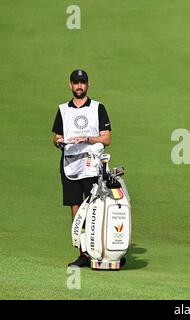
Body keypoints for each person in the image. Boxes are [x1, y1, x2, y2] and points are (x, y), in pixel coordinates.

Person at [52, 70, 112, 267]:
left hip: (92, 165)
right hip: (70, 165)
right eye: (76, 83)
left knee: (98, 208)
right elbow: (56, 137)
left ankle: (104, 251)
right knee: (76, 208)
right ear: (70, 85)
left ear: (88, 85)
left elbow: (106, 138)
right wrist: (59, 141)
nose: (79, 86)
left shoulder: (97, 108)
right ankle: (83, 253)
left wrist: (87, 138)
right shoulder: (63, 110)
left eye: (82, 83)